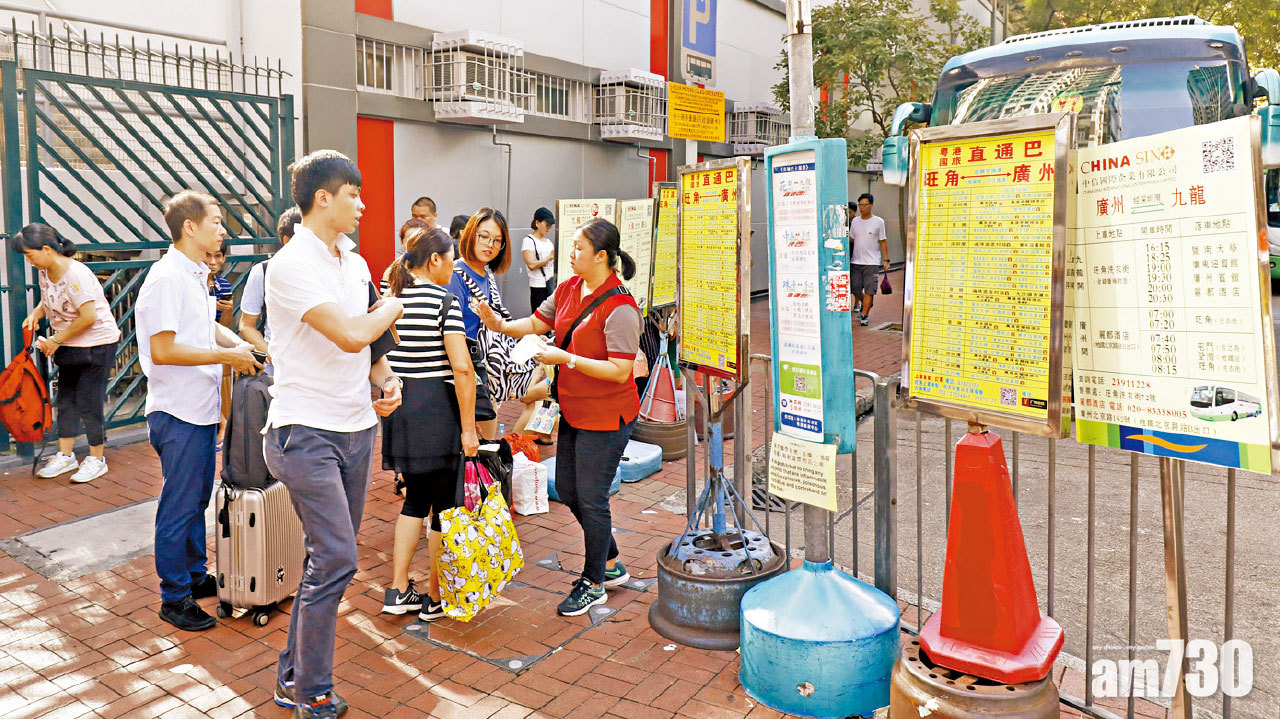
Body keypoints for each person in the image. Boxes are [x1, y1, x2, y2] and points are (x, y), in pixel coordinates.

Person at [262, 150, 404, 719]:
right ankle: (312, 691)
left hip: (356, 429)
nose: (362, 205)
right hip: (304, 433)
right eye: (354, 194)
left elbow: (369, 350)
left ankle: (291, 677)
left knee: (326, 559)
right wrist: (394, 305)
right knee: (338, 557)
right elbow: (349, 333)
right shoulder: (290, 264)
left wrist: (387, 380)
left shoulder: (355, 261)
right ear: (323, 198)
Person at [477, 217, 641, 616]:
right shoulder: (568, 287)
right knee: (568, 488)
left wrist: (566, 358)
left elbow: (621, 370)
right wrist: (500, 325)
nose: (571, 253)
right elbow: (537, 322)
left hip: (607, 416)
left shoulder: (621, 307)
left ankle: (594, 582)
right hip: (574, 409)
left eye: (579, 248)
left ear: (601, 256)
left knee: (592, 497)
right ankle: (611, 562)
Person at [136, 191, 259, 632]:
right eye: (217, 221)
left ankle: (192, 574)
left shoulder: (194, 274)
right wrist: (228, 358)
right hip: (178, 412)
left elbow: (203, 329)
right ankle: (174, 597)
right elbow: (164, 349)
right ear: (190, 227)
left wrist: (239, 345)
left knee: (196, 501)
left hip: (200, 410)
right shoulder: (168, 278)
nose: (223, 230)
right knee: (179, 506)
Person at [378, 226, 478, 619]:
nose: (453, 268)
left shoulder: (392, 300)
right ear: (434, 260)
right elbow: (462, 369)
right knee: (443, 507)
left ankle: (398, 589)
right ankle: (436, 598)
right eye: (451, 260)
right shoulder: (444, 302)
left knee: (415, 501)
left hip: (401, 408)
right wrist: (468, 429)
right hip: (437, 412)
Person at [12, 223, 121, 483]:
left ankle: (96, 459)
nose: (28, 260)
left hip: (97, 344)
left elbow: (88, 316)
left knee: (88, 401)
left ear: (47, 249)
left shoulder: (76, 274)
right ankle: (66, 455)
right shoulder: (45, 269)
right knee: (66, 400)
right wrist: (36, 313)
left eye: (29, 254)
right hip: (69, 343)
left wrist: (56, 339)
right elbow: (49, 297)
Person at [447, 207, 526, 440]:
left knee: (486, 447)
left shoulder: (488, 276)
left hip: (486, 376)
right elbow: (449, 334)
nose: (490, 244)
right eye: (484, 236)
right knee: (474, 448)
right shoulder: (455, 275)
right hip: (464, 378)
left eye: (497, 240)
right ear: (470, 235)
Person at [239, 206, 302, 369]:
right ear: (287, 240)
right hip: (277, 368)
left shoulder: (327, 270)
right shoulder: (263, 271)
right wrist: (272, 355)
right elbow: (246, 324)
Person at [849, 193, 889, 326]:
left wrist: (886, 260)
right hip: (856, 261)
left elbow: (883, 241)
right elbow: (851, 239)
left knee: (869, 290)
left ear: (871, 205)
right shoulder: (855, 221)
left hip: (871, 262)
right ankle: (866, 303)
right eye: (860, 205)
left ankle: (864, 315)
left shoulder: (879, 222)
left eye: (865, 205)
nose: (862, 208)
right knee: (855, 289)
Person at [522, 207, 556, 310]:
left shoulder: (548, 242)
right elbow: (531, 264)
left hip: (550, 285)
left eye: (550, 225)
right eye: (547, 224)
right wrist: (549, 258)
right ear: (537, 223)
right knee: (539, 316)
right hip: (538, 287)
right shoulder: (529, 241)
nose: (549, 227)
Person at [206, 239, 233, 327]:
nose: (212, 262)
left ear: (223, 259)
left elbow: (223, 326)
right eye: (207, 255)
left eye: (218, 256)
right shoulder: (190, 283)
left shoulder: (224, 285)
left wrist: (228, 310)